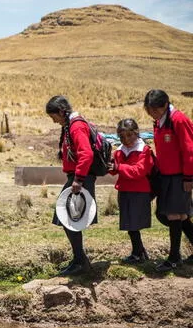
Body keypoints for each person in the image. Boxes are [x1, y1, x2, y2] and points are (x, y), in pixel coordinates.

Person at [46, 95, 97, 276]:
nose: (54, 121)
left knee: (69, 219)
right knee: (67, 218)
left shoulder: (76, 126)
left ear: (61, 111)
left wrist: (78, 179)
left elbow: (87, 154)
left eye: (54, 117)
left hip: (80, 178)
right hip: (78, 177)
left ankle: (80, 261)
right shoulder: (71, 125)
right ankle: (80, 260)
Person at [144, 89, 193, 272]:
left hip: (179, 176)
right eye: (149, 110)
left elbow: (189, 150)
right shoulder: (160, 121)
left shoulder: (178, 120)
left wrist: (189, 177)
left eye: (154, 110)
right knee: (176, 215)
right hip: (166, 175)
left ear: (165, 105)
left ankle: (174, 258)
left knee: (175, 214)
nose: (151, 113)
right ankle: (176, 255)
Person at [108, 119, 153, 263]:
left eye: (129, 135)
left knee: (133, 224)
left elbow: (139, 171)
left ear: (136, 133)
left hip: (139, 191)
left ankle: (138, 254)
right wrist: (109, 166)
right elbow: (115, 171)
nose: (126, 139)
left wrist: (119, 167)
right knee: (130, 224)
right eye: (122, 136)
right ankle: (139, 253)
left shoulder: (144, 150)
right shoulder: (119, 151)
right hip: (125, 190)